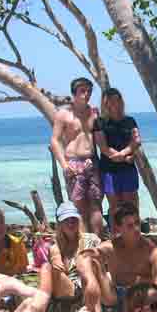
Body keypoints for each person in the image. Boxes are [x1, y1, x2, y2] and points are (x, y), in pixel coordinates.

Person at [85, 202, 157, 312]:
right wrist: (90, 280)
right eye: (130, 225)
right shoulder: (110, 247)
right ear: (118, 228)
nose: (136, 228)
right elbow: (84, 257)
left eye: (137, 222)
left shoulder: (151, 250)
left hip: (142, 298)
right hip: (114, 298)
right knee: (93, 263)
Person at [38, 202, 106, 312]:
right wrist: (55, 255)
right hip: (67, 289)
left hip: (88, 285)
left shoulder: (90, 240)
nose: (71, 223)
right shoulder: (55, 245)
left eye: (73, 219)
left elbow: (103, 259)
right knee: (46, 268)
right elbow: (55, 262)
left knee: (88, 264)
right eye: (66, 221)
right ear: (60, 224)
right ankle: (39, 308)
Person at [50, 77, 104, 235]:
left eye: (89, 91)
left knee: (96, 206)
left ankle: (98, 245)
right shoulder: (63, 114)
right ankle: (85, 246)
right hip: (73, 164)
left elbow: (100, 138)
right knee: (79, 207)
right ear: (74, 93)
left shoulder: (94, 112)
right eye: (82, 91)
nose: (86, 94)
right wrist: (64, 165)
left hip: (92, 162)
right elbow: (55, 140)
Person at [93, 87, 141, 229]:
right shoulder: (100, 122)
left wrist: (123, 153)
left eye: (117, 99)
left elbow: (136, 141)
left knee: (131, 205)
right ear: (105, 103)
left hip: (128, 167)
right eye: (110, 100)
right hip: (109, 170)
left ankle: (134, 236)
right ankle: (116, 238)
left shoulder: (130, 121)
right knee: (115, 206)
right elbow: (103, 146)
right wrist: (118, 156)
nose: (114, 103)